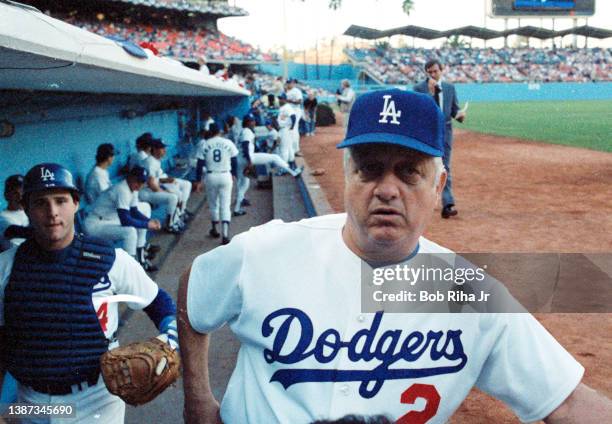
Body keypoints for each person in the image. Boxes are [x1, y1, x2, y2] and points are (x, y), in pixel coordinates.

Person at [178, 89, 611, 423]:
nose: (387, 189)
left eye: (408, 172)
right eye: (369, 168)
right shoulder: (267, 251)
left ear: (438, 186)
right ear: (347, 176)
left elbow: (567, 401)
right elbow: (193, 291)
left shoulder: (462, 291)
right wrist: (198, 399)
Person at [0, 163, 178, 423]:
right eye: (40, 203)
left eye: (61, 201)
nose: (52, 212)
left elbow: (159, 303)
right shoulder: (6, 267)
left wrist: (170, 340)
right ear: (27, 208)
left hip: (97, 399)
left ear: (75, 203)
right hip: (31, 402)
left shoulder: (111, 259)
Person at [413, 59, 466, 219]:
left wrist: (460, 115)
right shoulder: (419, 88)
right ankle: (420, 201)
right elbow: (417, 111)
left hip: (445, 132)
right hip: (426, 132)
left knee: (445, 167)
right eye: (429, 72)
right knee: (423, 166)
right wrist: (430, 93)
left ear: (441, 70)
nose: (433, 75)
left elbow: (454, 111)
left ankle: (447, 204)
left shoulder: (449, 88)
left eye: (435, 71)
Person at [84, 166, 161, 272]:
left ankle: (141, 256)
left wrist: (148, 221)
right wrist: (147, 224)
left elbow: (134, 212)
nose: (139, 184)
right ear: (130, 177)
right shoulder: (122, 189)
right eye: (137, 181)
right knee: (130, 232)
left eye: (142, 181)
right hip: (95, 224)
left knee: (139, 222)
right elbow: (125, 220)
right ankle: (131, 269)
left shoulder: (133, 188)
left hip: (108, 220)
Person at [193, 123, 238, 245]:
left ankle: (214, 229)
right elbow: (234, 160)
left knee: (213, 204)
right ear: (220, 131)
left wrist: (198, 180)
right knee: (225, 204)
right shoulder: (228, 143)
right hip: (225, 175)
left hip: (211, 175)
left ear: (210, 132)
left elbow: (199, 164)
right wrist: (234, 174)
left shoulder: (205, 144)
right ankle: (225, 234)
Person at [139, 139, 184, 234]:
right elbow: (151, 184)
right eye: (162, 148)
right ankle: (169, 225)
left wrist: (166, 186)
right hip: (144, 192)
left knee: (176, 193)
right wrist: (165, 192)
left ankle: (175, 220)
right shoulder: (150, 162)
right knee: (172, 197)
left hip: (150, 189)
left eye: (164, 148)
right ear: (154, 150)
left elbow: (156, 181)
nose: (164, 150)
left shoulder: (155, 160)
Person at [0, 175, 29, 252]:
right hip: (11, 257)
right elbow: (14, 231)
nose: (20, 197)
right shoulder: (2, 218)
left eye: (23, 193)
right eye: (15, 193)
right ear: (6, 196)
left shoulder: (33, 213)